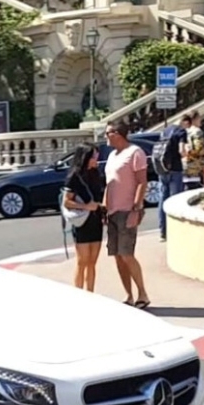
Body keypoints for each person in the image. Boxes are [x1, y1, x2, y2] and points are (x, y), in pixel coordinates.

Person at [103, 120, 150, 308]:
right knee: (117, 255)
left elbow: (141, 182)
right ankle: (128, 295)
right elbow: (109, 184)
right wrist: (104, 209)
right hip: (112, 212)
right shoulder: (112, 156)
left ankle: (143, 294)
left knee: (127, 254)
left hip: (127, 211)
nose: (106, 136)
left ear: (118, 134)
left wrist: (136, 208)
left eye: (108, 133)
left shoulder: (135, 153)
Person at [61, 144, 105, 292]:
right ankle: (79, 294)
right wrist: (86, 206)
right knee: (82, 262)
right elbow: (67, 201)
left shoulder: (96, 173)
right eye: (93, 156)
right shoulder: (74, 176)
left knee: (93, 262)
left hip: (96, 220)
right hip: (82, 222)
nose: (96, 159)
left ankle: (91, 293)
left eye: (97, 156)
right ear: (85, 157)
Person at [153, 116, 188, 240]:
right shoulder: (181, 131)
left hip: (162, 169)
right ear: (185, 122)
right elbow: (182, 150)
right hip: (175, 169)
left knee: (163, 199)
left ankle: (163, 232)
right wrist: (188, 154)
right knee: (175, 200)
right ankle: (176, 231)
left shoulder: (165, 130)